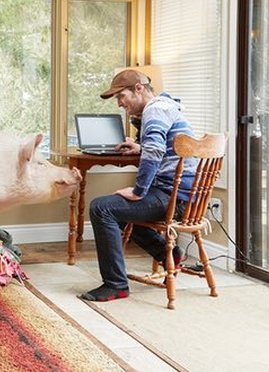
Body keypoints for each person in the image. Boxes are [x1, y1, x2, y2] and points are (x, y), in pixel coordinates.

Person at [79, 69, 197, 302]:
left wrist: (138, 191)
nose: (120, 103)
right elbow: (161, 148)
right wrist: (140, 148)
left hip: (172, 196)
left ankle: (116, 285)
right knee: (117, 212)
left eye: (121, 96)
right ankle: (169, 253)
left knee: (101, 208)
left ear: (139, 89)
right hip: (182, 194)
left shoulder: (155, 110)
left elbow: (155, 150)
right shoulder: (166, 107)